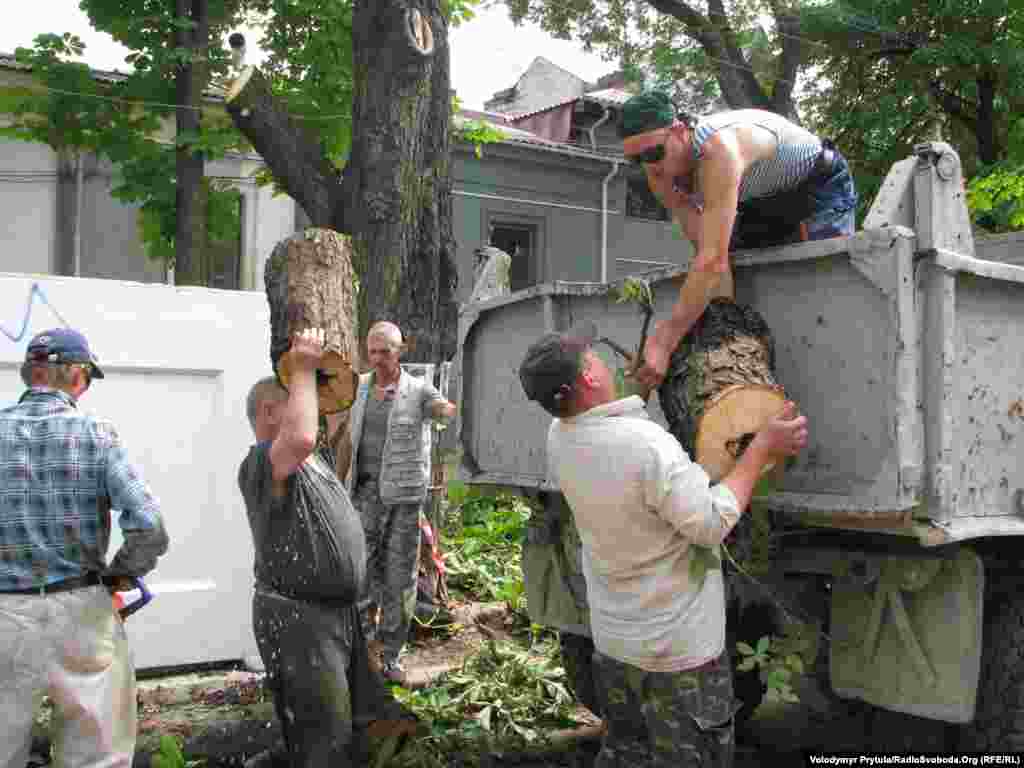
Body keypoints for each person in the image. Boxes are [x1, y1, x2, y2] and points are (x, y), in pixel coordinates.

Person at [518, 324, 808, 767]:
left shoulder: (560, 437)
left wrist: (638, 389)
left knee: (626, 754)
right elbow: (711, 522)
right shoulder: (647, 447)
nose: (600, 360)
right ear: (590, 379)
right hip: (678, 656)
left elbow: (619, 442)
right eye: (592, 358)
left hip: (617, 646)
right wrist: (761, 449)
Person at [239, 328, 417, 767]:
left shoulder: (309, 460)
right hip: (300, 621)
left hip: (336, 616)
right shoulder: (261, 462)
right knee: (325, 736)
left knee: (358, 724)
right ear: (269, 411)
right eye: (297, 401)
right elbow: (298, 437)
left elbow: (319, 429)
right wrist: (300, 367)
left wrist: (327, 380)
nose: (311, 411)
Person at [0, 327, 169, 768]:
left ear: (29, 374)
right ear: (75, 377)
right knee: (96, 755)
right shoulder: (96, 434)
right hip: (80, 610)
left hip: (3, 613)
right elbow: (148, 524)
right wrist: (121, 573)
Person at [619, 90, 858, 392]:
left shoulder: (719, 148)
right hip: (757, 200)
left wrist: (664, 341)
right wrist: (724, 345)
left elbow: (712, 261)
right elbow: (711, 257)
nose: (649, 167)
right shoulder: (660, 176)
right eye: (635, 159)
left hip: (817, 187)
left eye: (653, 153)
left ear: (679, 132)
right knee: (744, 288)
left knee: (820, 292)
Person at [344, 321, 456, 684]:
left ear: (401, 350)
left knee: (399, 578)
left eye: (386, 352)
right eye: (372, 351)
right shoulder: (357, 387)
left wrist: (444, 410)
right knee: (360, 577)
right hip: (364, 496)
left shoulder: (418, 390)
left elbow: (446, 410)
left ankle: (391, 656)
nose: (378, 359)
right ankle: (362, 653)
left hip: (405, 500)